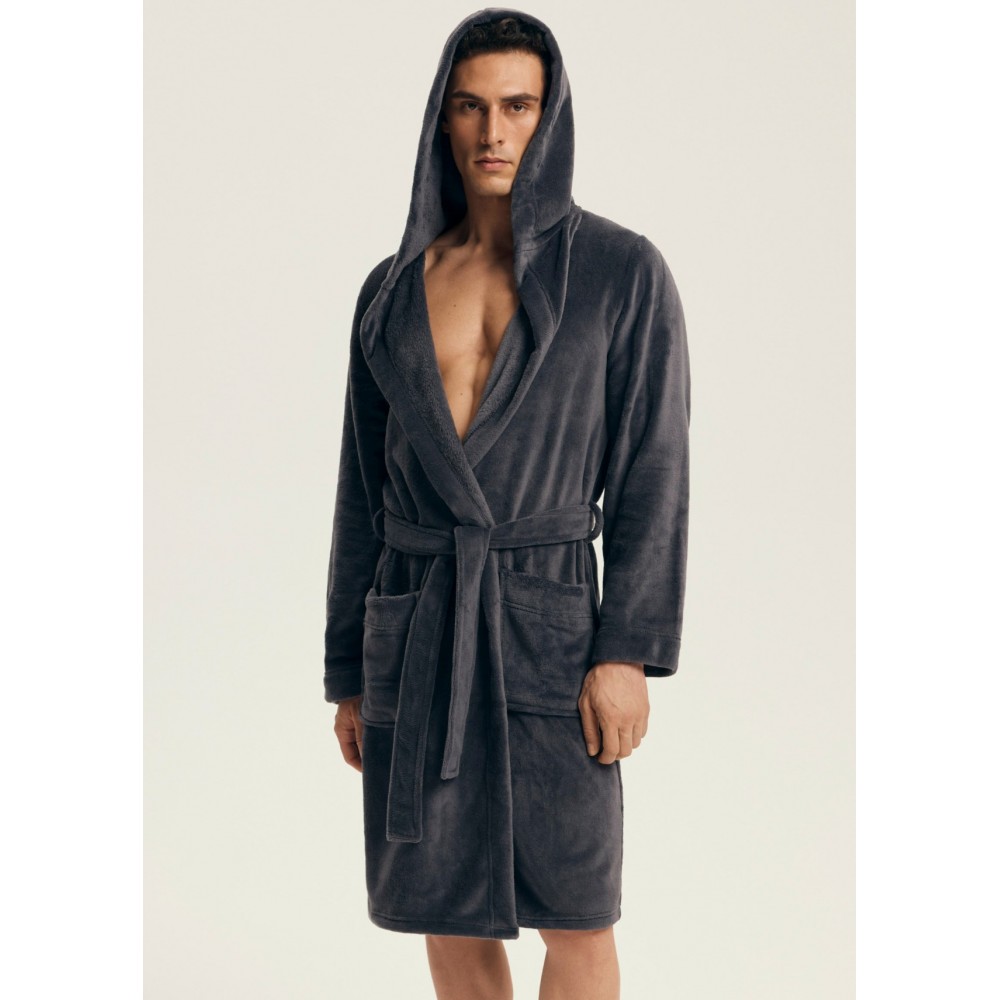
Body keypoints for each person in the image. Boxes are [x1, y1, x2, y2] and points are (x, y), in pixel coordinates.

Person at [323, 9, 690, 1000]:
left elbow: (653, 473)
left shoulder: (621, 273)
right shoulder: (390, 291)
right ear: (441, 119)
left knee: (578, 915)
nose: (493, 132)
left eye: (517, 106)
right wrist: (349, 668)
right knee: (442, 910)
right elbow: (361, 493)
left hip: (549, 627)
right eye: (470, 106)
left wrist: (626, 651)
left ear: (549, 116)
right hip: (419, 628)